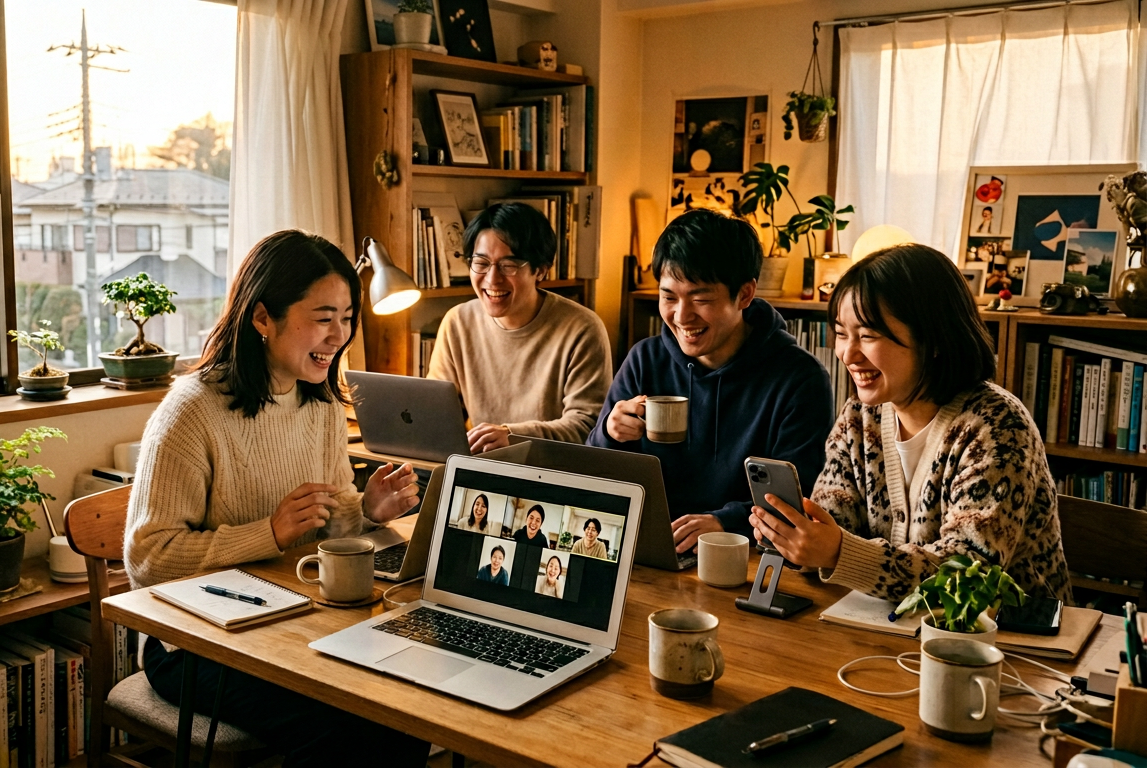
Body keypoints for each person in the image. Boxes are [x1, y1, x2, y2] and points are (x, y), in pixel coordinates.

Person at [124, 230, 429, 767]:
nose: (340, 335)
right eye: (323, 316)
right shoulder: (192, 411)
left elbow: (327, 527)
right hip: (195, 648)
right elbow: (147, 558)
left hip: (292, 623)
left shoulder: (323, 405)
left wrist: (367, 511)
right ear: (263, 318)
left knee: (407, 704)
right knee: (351, 726)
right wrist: (268, 533)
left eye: (348, 316)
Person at [747, 244, 1072, 603]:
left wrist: (839, 552)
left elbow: (967, 575)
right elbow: (835, 520)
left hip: (1012, 641)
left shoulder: (997, 427)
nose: (848, 354)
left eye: (868, 336)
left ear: (932, 338)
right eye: (841, 334)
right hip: (887, 630)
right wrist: (798, 541)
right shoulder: (859, 418)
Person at [588, 209, 834, 554]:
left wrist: (724, 522)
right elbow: (594, 478)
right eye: (669, 297)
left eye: (700, 299)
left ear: (745, 295)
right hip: (653, 550)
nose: (682, 316)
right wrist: (609, 434)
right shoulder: (645, 360)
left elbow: (800, 500)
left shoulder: (799, 380)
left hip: (744, 553)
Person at [428, 203, 613, 452]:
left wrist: (512, 435)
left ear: (540, 270)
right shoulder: (457, 323)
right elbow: (438, 417)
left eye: (508, 265)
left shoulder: (582, 329)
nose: (492, 279)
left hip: (550, 475)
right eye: (481, 263)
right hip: (482, 470)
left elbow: (587, 426)